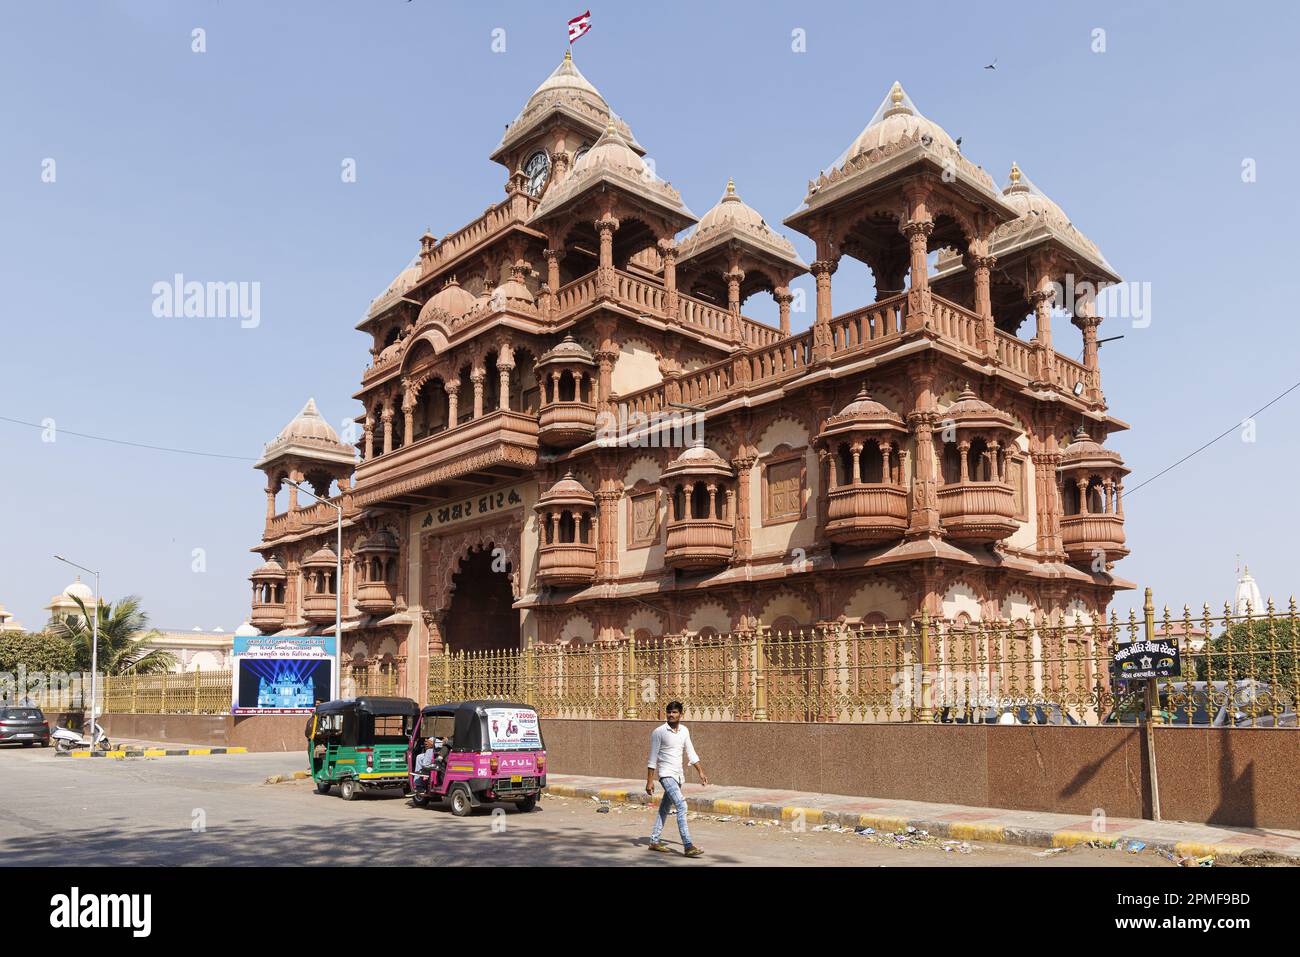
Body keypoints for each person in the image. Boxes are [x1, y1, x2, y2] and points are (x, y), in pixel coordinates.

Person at [645, 701, 709, 857]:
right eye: (669, 712)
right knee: (682, 806)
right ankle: (688, 845)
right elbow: (652, 758)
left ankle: (654, 840)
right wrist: (649, 781)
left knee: (664, 808)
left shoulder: (684, 731)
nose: (671, 715)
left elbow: (691, 752)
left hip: (679, 776)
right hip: (666, 775)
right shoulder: (659, 732)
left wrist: (700, 771)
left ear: (681, 714)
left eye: (674, 712)